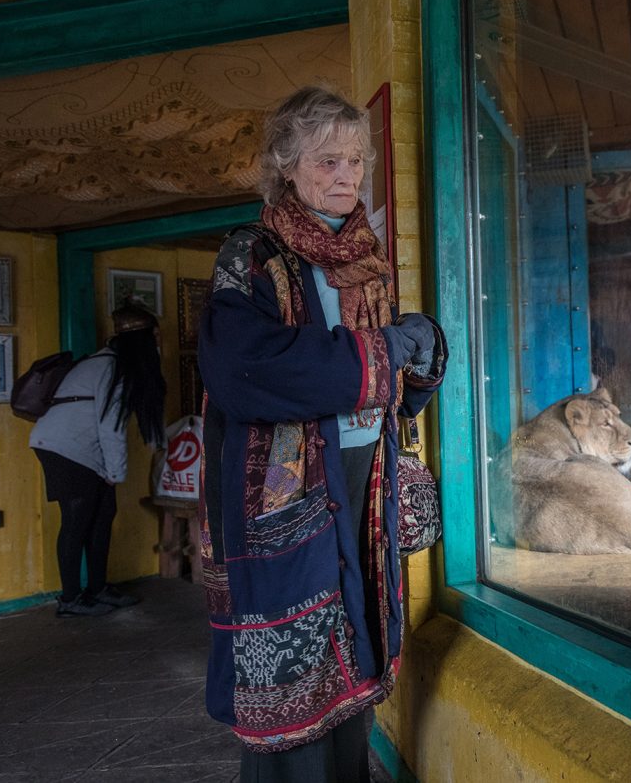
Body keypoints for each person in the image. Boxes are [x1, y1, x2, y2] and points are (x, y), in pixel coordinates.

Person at [197, 85, 445, 783]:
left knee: (354, 660)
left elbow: (387, 392)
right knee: (293, 680)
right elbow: (245, 369)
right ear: (287, 165)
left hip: (363, 483)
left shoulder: (362, 257)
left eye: (357, 162)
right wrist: (381, 352)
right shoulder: (252, 254)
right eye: (328, 161)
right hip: (284, 495)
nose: (346, 176)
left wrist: (420, 355)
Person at [31, 303, 166, 618]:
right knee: (77, 520)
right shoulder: (111, 368)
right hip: (63, 449)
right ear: (143, 342)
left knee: (103, 515)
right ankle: (70, 599)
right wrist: (114, 473)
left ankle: (97, 589)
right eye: (153, 338)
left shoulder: (113, 363)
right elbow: (111, 426)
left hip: (80, 448)